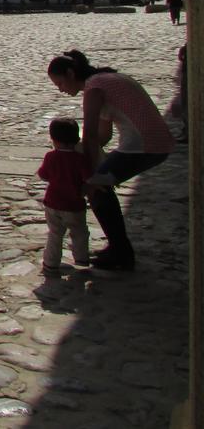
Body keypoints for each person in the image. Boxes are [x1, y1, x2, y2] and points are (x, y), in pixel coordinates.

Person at [47, 49, 175, 269]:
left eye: (60, 83)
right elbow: (104, 137)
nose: (61, 89)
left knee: (96, 189)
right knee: (101, 184)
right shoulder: (105, 79)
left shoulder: (94, 88)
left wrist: (82, 171)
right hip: (153, 142)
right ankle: (117, 246)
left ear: (70, 73)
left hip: (144, 145)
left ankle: (121, 251)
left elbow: (91, 135)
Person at [37, 118, 94, 277]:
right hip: (74, 204)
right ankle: (81, 259)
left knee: (55, 234)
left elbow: (43, 175)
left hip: (53, 203)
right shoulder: (80, 159)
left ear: (53, 140)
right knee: (79, 232)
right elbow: (89, 178)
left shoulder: (50, 156)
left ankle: (50, 263)